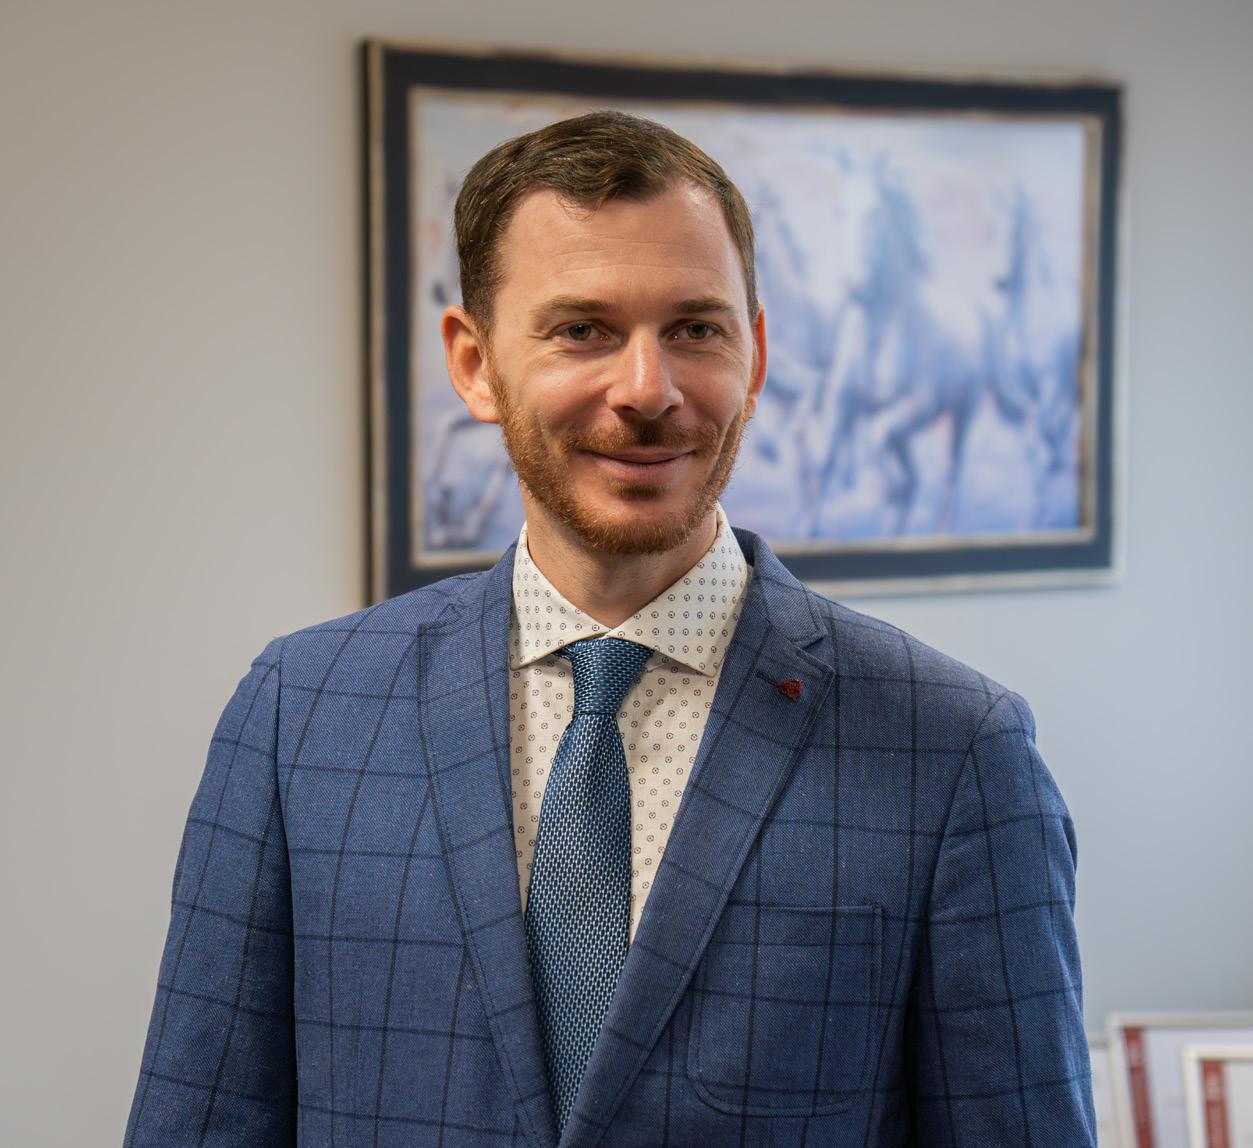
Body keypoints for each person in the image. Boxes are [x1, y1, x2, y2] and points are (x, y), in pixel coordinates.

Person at [124, 111, 1096, 1147]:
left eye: (695, 329)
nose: (647, 390)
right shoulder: (301, 714)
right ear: (474, 363)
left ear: (755, 354)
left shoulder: (952, 749)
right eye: (582, 329)